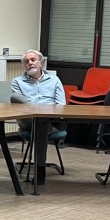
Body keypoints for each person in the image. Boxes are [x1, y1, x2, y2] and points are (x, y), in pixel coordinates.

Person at [11, 49, 66, 182]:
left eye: (33, 60)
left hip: (48, 119)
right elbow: (17, 102)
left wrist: (45, 113)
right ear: (24, 65)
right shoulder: (17, 81)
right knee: (15, 97)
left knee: (41, 123)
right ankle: (40, 169)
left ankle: (39, 170)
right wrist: (36, 109)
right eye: (26, 61)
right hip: (27, 119)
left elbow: (61, 104)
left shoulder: (54, 80)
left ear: (41, 63)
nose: (30, 63)